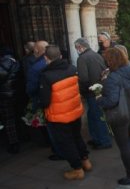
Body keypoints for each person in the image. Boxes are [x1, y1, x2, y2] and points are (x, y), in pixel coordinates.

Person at [37, 45, 90, 180]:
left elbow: (45, 101)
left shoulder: (46, 75)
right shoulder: (71, 68)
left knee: (66, 143)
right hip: (75, 111)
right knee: (77, 137)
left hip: (59, 117)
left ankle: (77, 169)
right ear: (60, 55)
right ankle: (85, 161)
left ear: (46, 58)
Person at [98, 48, 130, 186]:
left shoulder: (113, 77)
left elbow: (111, 100)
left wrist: (99, 99)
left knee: (124, 145)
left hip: (120, 114)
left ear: (111, 60)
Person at [74, 38, 112, 150]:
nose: (77, 50)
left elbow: (84, 78)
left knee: (97, 116)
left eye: (77, 48)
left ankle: (104, 140)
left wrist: (82, 89)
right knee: (93, 115)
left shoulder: (82, 58)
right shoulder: (96, 55)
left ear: (80, 47)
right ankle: (96, 138)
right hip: (100, 88)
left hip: (92, 91)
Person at [0, 46, 21, 154]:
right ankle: (20, 138)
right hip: (14, 94)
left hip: (5, 96)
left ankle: (14, 143)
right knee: (15, 117)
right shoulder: (16, 62)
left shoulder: (4, 63)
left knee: (8, 120)